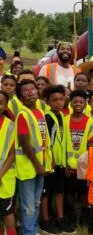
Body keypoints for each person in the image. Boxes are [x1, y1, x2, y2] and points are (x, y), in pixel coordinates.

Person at [15, 79, 53, 235]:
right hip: (28, 168)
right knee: (28, 204)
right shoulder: (23, 114)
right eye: (26, 91)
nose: (31, 93)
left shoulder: (39, 112)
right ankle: (28, 231)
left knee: (36, 202)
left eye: (33, 89)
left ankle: (33, 229)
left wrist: (47, 163)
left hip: (40, 166)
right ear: (20, 97)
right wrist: (38, 165)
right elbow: (25, 143)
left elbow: (44, 141)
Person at [40, 85, 76, 234]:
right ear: (47, 102)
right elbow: (47, 142)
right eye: (54, 100)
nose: (59, 102)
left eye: (61, 99)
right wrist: (52, 161)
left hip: (60, 163)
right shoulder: (47, 117)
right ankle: (45, 220)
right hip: (51, 163)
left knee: (59, 190)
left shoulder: (62, 116)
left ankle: (60, 218)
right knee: (46, 193)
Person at [64, 89, 93, 227]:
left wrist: (88, 165)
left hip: (83, 166)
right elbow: (62, 143)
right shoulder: (64, 121)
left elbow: (91, 146)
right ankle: (70, 213)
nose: (78, 104)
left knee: (83, 192)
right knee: (69, 191)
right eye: (75, 101)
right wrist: (64, 163)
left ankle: (84, 213)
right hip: (68, 166)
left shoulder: (90, 123)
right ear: (70, 103)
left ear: (85, 104)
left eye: (81, 102)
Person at [0, 90, 16, 235]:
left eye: (1, 103)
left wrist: (0, 174)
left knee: (6, 210)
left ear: (5, 106)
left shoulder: (10, 125)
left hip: (4, 176)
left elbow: (12, 154)